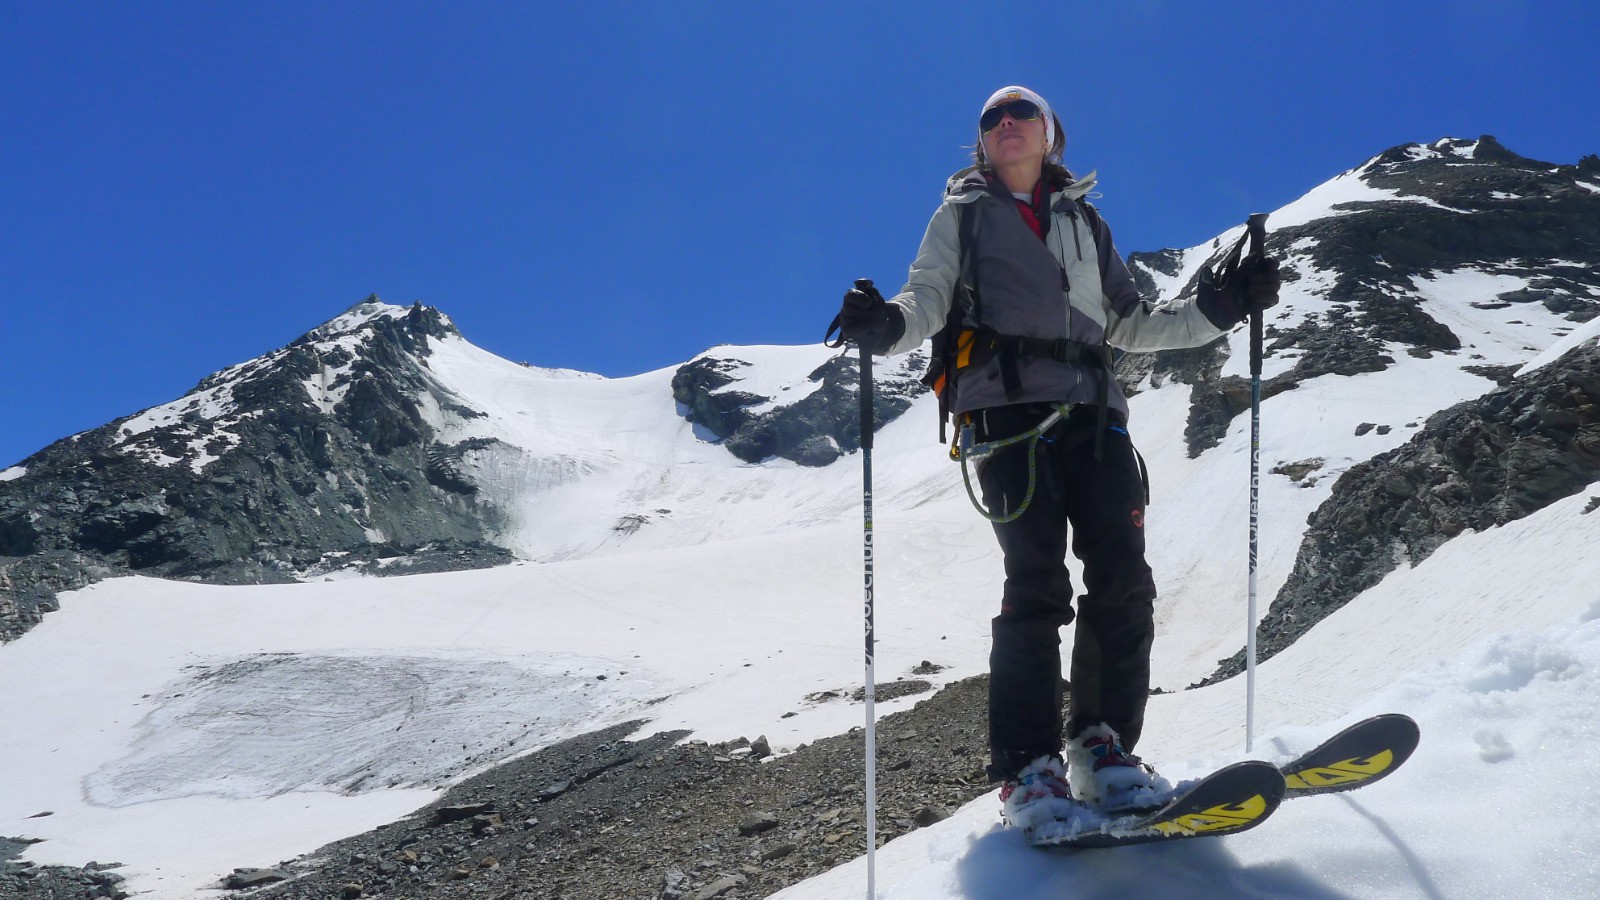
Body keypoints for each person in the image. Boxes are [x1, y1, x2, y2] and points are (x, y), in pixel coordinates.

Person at [833, 85, 1279, 839]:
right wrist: (885, 329)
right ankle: (1029, 769)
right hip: (1009, 421)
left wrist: (1227, 305)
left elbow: (1132, 323)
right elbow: (928, 299)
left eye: (1021, 114)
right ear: (982, 143)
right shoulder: (962, 216)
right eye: (991, 119)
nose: (1005, 124)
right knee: (1037, 582)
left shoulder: (1084, 221)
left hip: (1097, 417)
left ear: (1049, 133)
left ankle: (1102, 747)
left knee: (1125, 578)